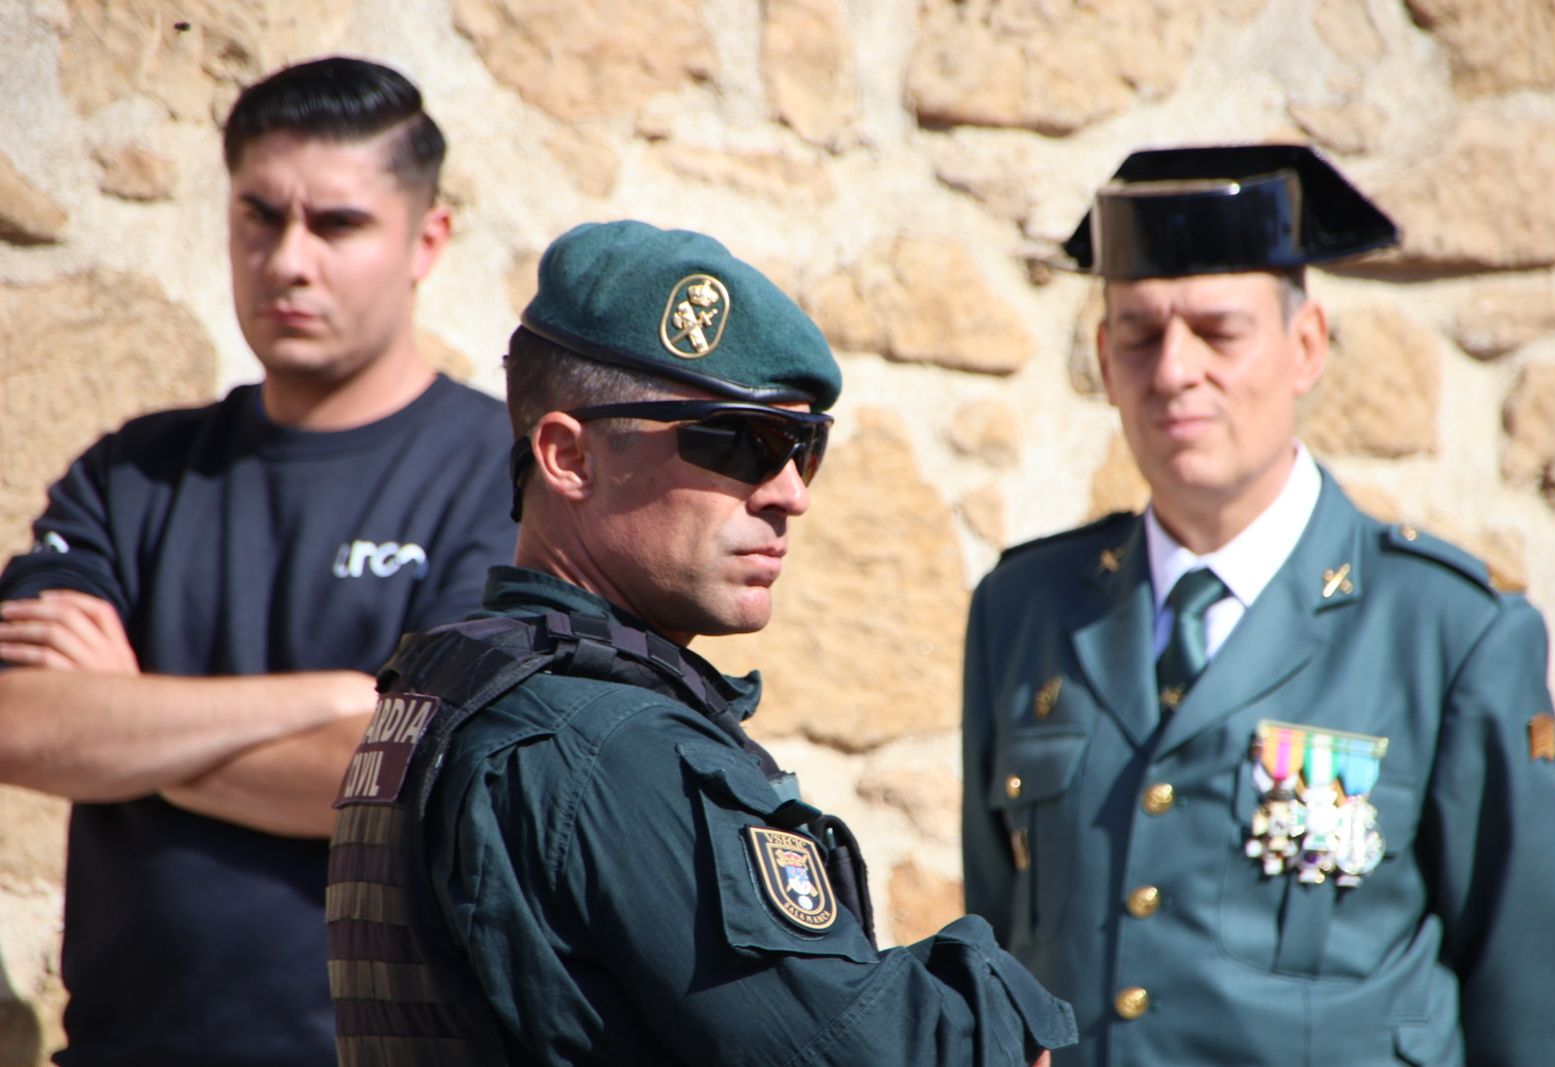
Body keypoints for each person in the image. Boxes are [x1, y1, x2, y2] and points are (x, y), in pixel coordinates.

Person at [325, 219, 1077, 1066]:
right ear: (569, 456)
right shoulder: (608, 746)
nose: (788, 491)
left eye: (803, 445)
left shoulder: (453, 693)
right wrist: (997, 1008)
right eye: (738, 441)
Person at [961, 144, 1555, 1066]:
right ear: (1103, 357)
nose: (1174, 369)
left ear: (1306, 349)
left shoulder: (1448, 634)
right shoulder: (1026, 612)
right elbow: (998, 959)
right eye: (1138, 333)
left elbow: (1533, 1018)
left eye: (1218, 331)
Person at [0, 57, 516, 1066]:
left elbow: (420, 778)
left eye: (337, 224)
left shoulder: (499, 479)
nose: (288, 259)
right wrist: (330, 698)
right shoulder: (133, 472)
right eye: (259, 216)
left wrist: (132, 723)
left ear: (427, 240)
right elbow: (23, 725)